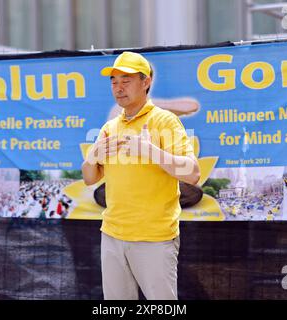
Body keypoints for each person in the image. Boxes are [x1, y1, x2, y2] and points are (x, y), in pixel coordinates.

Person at [81, 51, 200, 300]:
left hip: (154, 237)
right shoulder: (110, 127)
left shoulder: (165, 122)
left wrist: (151, 152)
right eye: (114, 81)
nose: (118, 88)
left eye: (126, 81)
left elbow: (193, 173)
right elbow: (90, 178)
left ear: (145, 82)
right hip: (112, 234)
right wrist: (92, 157)